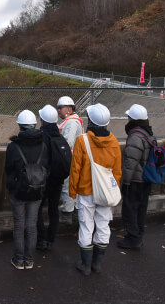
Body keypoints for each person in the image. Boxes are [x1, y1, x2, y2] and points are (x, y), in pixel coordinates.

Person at [69, 103, 122, 276]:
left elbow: (75, 169)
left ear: (91, 121)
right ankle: (97, 264)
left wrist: (72, 192)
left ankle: (85, 265)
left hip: (86, 192)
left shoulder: (82, 140)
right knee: (103, 226)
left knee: (86, 226)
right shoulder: (114, 141)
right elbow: (117, 171)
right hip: (105, 193)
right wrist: (113, 190)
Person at [5, 110, 47, 270]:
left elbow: (9, 169)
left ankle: (18, 259)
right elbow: (46, 167)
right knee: (31, 225)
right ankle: (29, 260)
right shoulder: (43, 145)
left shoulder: (13, 147)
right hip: (37, 190)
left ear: (20, 126)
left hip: (18, 191)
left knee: (19, 224)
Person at [36, 104, 71, 252]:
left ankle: (41, 239)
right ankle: (50, 240)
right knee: (53, 210)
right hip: (57, 180)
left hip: (44, 181)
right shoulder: (59, 136)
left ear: (42, 120)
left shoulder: (41, 137)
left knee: (37, 209)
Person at [119, 104, 154, 250]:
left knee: (130, 209)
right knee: (141, 209)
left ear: (132, 119)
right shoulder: (148, 134)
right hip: (146, 179)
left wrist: (124, 182)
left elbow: (130, 163)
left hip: (135, 180)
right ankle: (138, 236)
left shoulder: (135, 136)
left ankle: (132, 238)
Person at [57, 96, 84, 224]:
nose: (58, 110)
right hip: (72, 159)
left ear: (69, 108)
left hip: (69, 159)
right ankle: (73, 212)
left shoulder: (72, 122)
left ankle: (67, 213)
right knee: (71, 186)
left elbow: (68, 142)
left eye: (60, 107)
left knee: (67, 186)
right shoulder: (70, 120)